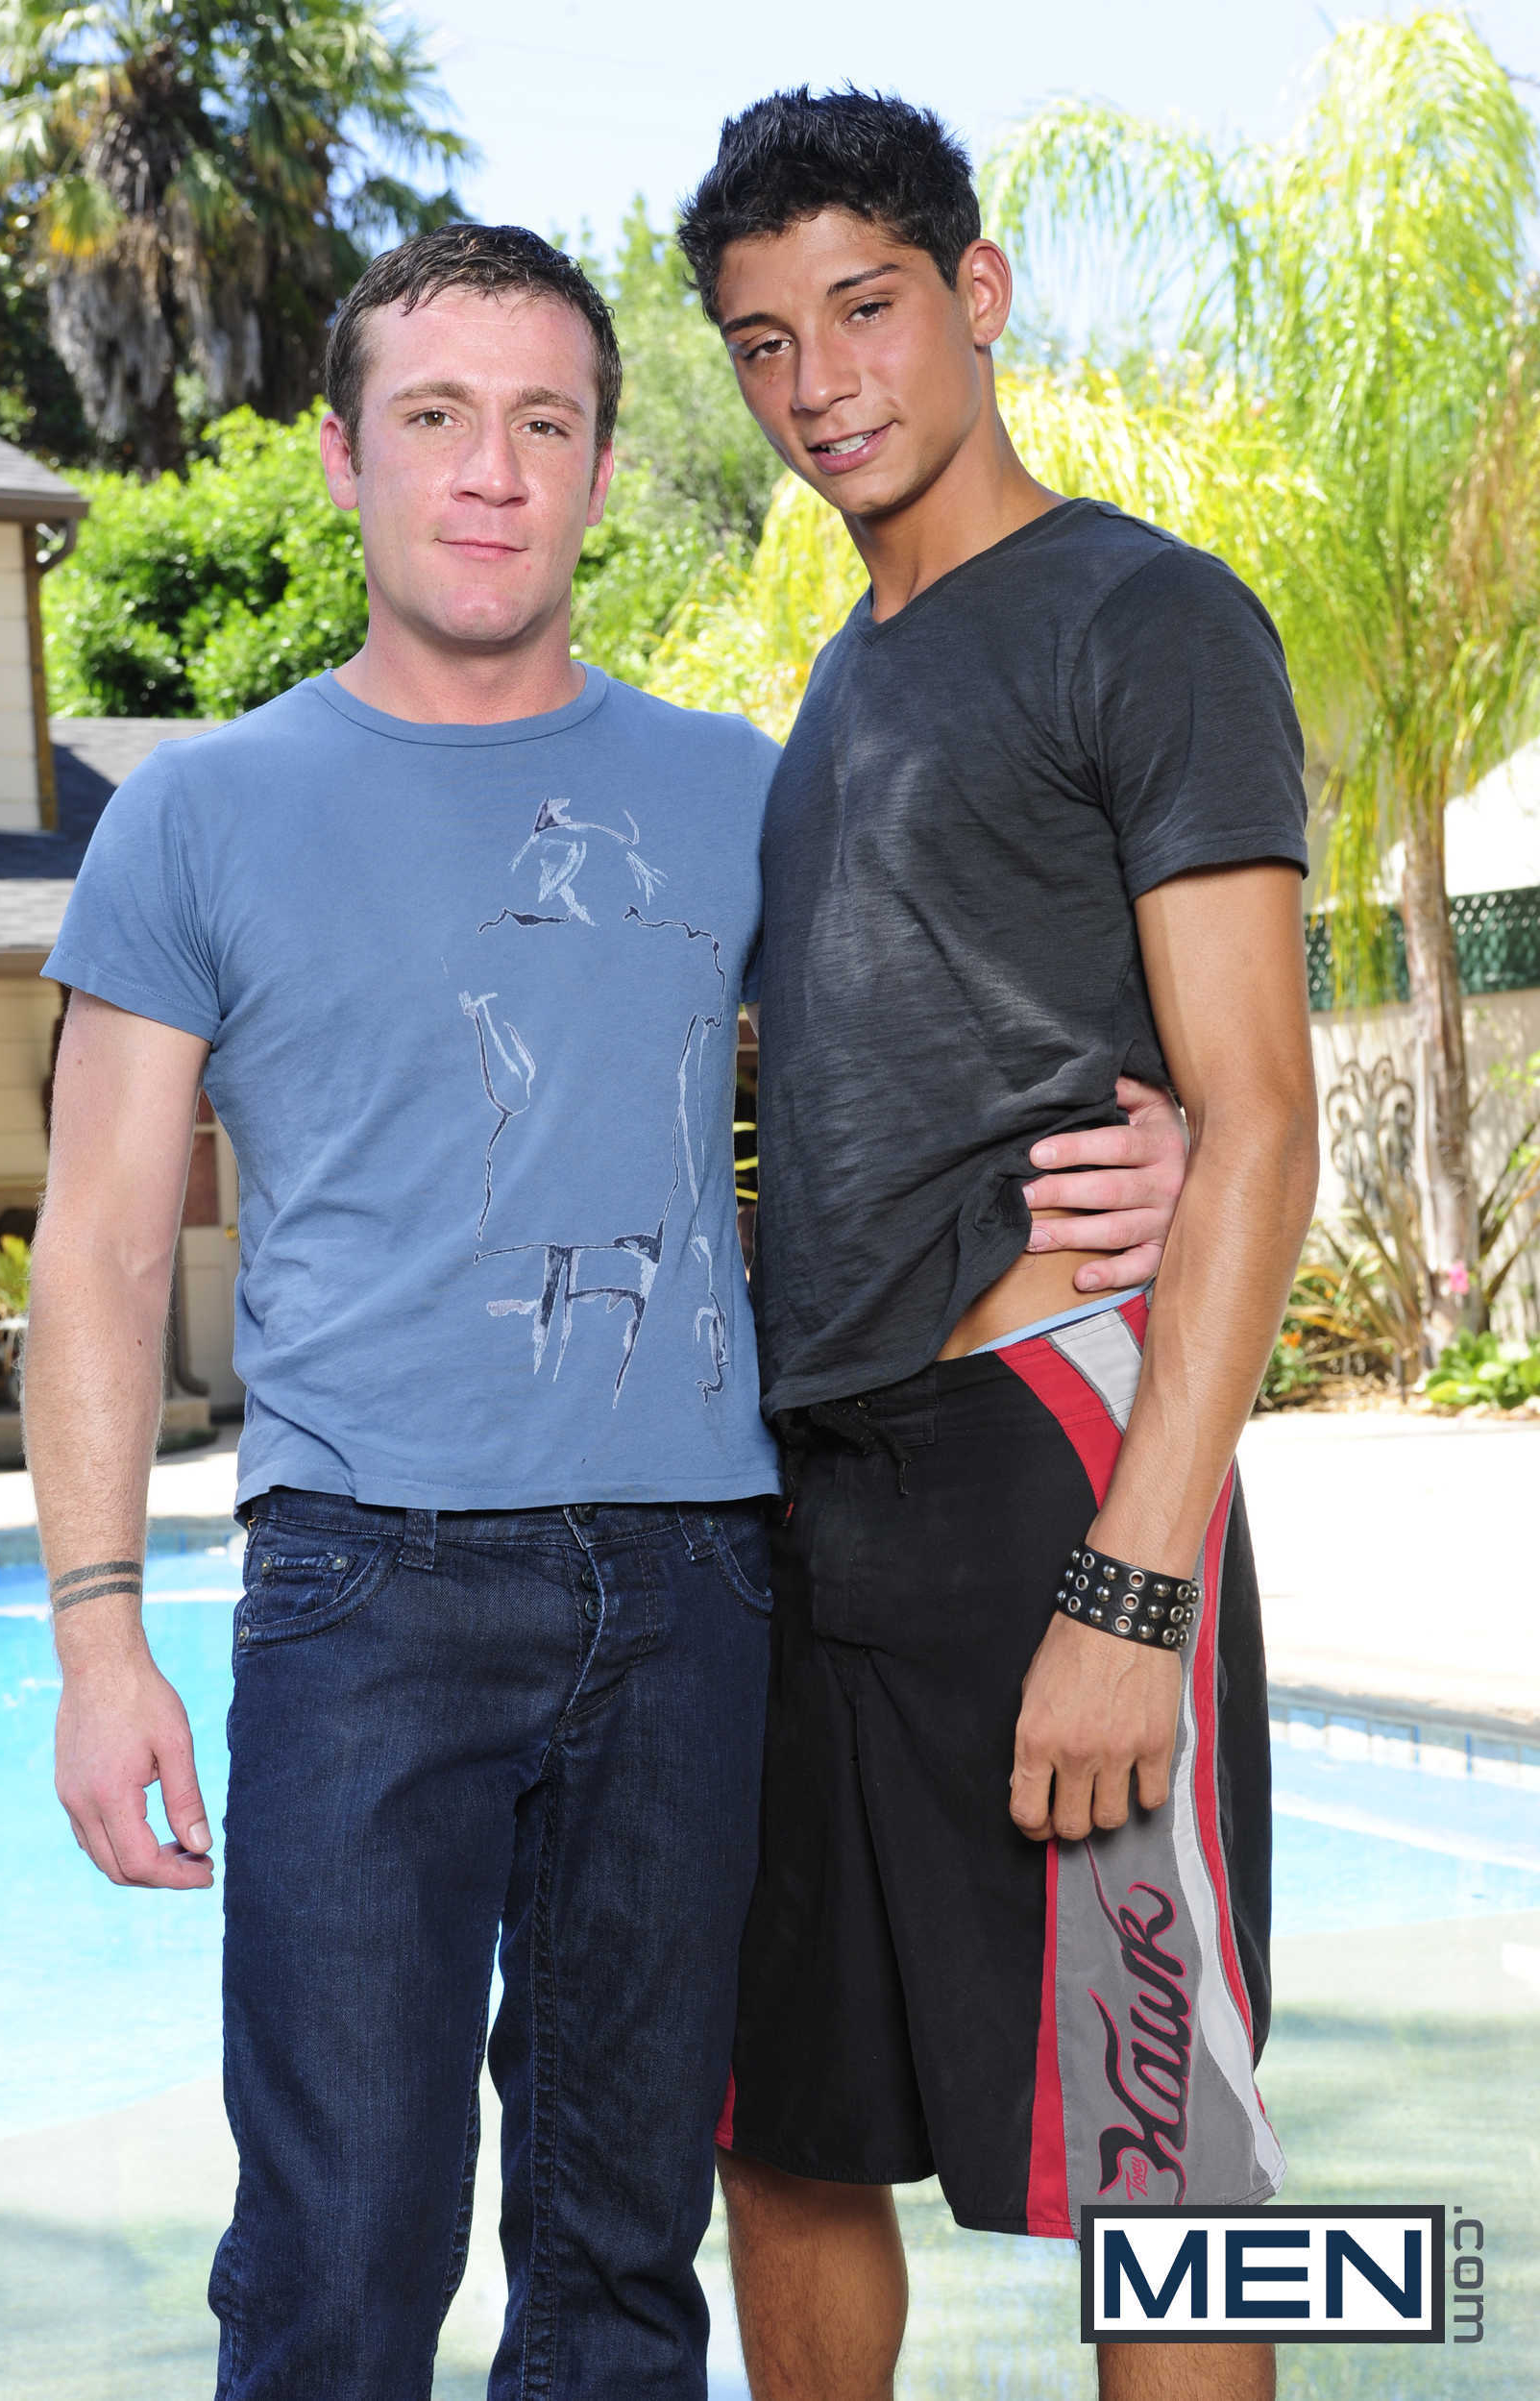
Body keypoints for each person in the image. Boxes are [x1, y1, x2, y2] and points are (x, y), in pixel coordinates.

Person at [23, 220, 1182, 2400]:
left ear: (600, 466)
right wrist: (97, 1639)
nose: (490, 469)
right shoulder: (195, 817)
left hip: (698, 1592)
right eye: (436, 418)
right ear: (347, 458)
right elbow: (94, 1246)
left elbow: (955, 1052)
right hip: (364, 1595)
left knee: (626, 2265)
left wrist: (1175, 1134)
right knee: (340, 2260)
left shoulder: (747, 788)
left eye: (542, 422)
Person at [678, 89, 1320, 2401]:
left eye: (863, 309)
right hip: (806, 1486)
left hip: (1050, 1457)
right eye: (763, 341)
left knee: (1168, 2154)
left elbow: (1259, 1112)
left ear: (978, 292)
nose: (818, 381)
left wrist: (1132, 1591)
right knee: (777, 2127)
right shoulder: (833, 680)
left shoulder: (1146, 612)